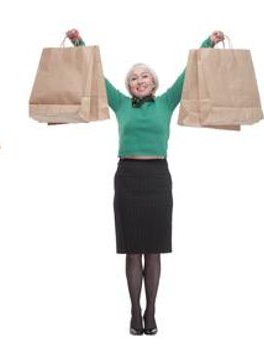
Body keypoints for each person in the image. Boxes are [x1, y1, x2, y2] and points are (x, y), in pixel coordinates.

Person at [63, 27, 225, 336]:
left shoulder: (165, 103)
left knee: (154, 250)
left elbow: (189, 74)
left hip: (158, 179)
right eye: (134, 77)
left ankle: (151, 309)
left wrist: (209, 43)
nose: (139, 80)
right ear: (129, 85)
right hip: (127, 178)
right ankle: (134, 310)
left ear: (153, 82)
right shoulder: (121, 104)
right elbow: (95, 76)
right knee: (132, 250)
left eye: (144, 76)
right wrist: (77, 43)